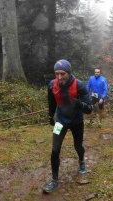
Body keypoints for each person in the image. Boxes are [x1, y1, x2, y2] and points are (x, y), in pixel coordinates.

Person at [44, 59, 92, 193]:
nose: (59, 77)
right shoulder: (51, 85)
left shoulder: (79, 85)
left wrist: (80, 105)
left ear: (69, 73)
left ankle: (81, 161)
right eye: (56, 74)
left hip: (76, 121)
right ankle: (54, 180)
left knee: (78, 146)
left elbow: (89, 109)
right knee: (55, 149)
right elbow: (52, 102)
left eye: (62, 74)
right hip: (60, 121)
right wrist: (50, 115)